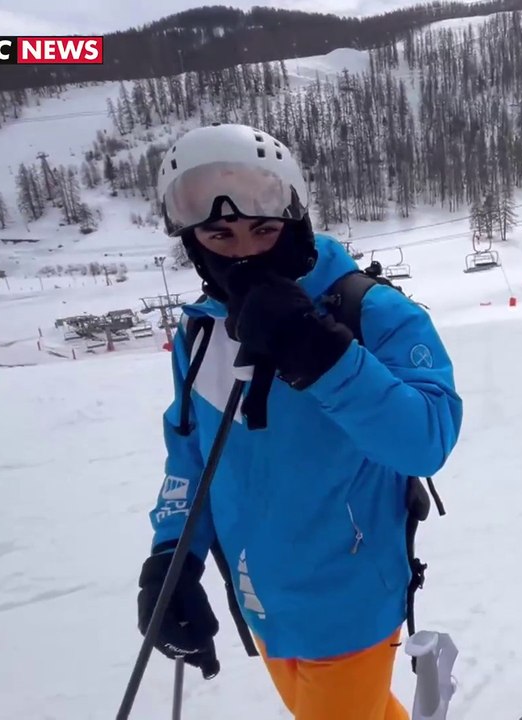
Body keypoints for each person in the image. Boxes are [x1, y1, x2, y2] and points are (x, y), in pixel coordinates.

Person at [137, 122, 463, 720]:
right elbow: (190, 454)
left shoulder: (371, 312)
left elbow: (427, 440)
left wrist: (322, 353)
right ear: (195, 242)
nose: (243, 252)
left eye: (263, 230)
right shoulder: (201, 331)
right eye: (219, 234)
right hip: (260, 598)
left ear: (295, 222)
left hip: (349, 598)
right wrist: (171, 558)